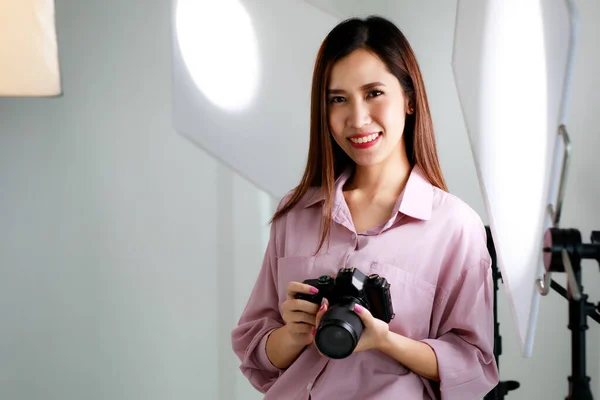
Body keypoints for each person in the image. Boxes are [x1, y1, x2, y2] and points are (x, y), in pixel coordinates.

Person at [231, 15, 499, 400]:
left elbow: (474, 366)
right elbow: (255, 354)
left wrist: (385, 341)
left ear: (409, 99)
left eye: (374, 93)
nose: (357, 119)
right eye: (338, 99)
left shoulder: (454, 226)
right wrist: (292, 335)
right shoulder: (296, 214)